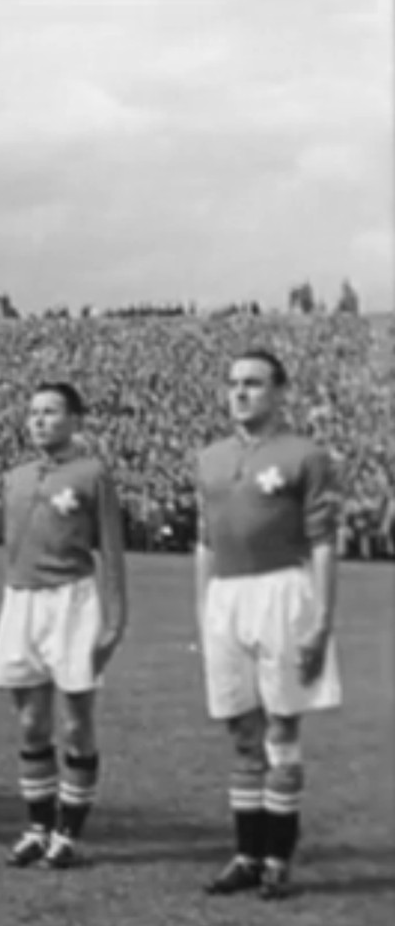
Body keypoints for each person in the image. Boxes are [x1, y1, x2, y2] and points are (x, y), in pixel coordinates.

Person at [195, 349, 341, 901]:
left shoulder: (306, 455)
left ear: (280, 391)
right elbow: (205, 543)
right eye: (233, 382)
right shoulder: (210, 458)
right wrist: (201, 610)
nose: (240, 393)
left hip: (283, 590)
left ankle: (277, 857)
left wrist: (321, 621)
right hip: (226, 597)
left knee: (282, 725)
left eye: (253, 383)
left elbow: (325, 543)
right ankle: (245, 855)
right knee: (241, 731)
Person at [0, 382, 127, 869]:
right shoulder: (15, 477)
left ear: (74, 420)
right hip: (22, 600)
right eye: (33, 412)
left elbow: (111, 550)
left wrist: (114, 621)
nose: (39, 420)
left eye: (50, 412)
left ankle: (69, 832)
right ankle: (37, 826)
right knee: (30, 723)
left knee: (75, 720)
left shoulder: (92, 474)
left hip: (73, 600)